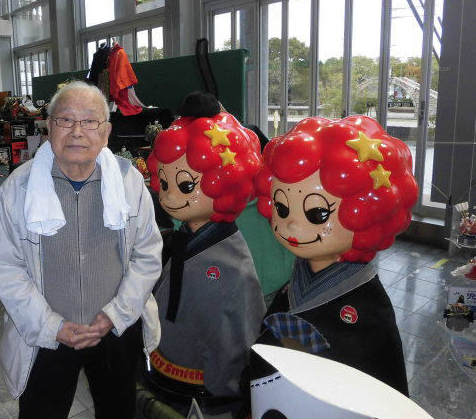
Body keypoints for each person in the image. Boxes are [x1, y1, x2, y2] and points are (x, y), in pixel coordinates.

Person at [0, 81, 163, 419]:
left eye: (90, 121)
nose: (77, 131)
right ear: (49, 127)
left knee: (118, 411)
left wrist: (115, 315)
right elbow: (7, 268)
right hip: (46, 335)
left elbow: (147, 253)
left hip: (115, 329)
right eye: (66, 120)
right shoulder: (18, 189)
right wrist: (50, 326)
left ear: (107, 132)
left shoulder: (129, 183)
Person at [253, 115, 418, 396]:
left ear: (366, 214)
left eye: (317, 213)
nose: (291, 225)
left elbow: (384, 391)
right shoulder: (295, 281)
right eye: (282, 208)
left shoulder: (370, 309)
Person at [144, 92, 266, 417]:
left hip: (204, 388)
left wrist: (225, 395)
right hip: (170, 366)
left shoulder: (231, 265)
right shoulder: (186, 237)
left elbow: (233, 341)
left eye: (185, 185)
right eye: (165, 182)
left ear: (225, 182)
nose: (169, 196)